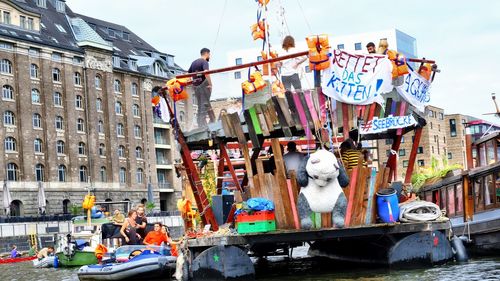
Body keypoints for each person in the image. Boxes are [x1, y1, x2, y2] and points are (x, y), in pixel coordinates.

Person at [188, 48, 215, 127]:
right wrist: (210, 84)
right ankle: (202, 125)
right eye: (209, 54)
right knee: (204, 105)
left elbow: (188, 73)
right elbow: (206, 73)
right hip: (204, 85)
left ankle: (201, 123)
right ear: (206, 53)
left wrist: (193, 82)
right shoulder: (204, 62)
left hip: (196, 86)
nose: (209, 56)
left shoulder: (193, 63)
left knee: (200, 105)